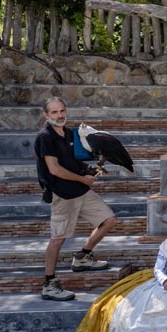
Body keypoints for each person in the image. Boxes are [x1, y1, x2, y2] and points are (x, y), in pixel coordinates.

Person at [35, 97, 116, 301]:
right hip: (62, 194)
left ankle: (82, 257)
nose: (60, 115)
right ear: (46, 115)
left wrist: (89, 169)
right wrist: (84, 179)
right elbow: (54, 169)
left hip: (81, 190)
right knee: (58, 239)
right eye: (54, 112)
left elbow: (74, 161)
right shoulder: (45, 137)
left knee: (108, 221)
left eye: (62, 110)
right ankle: (49, 283)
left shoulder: (69, 133)